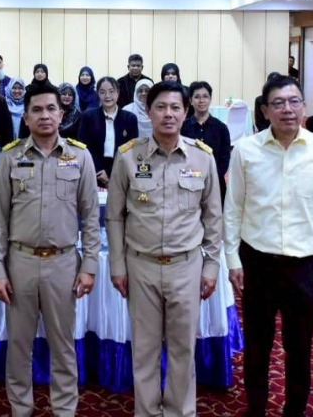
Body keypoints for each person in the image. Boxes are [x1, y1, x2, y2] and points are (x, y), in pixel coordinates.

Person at [224, 74, 313, 417]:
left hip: (305, 264)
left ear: (304, 107)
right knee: (257, 346)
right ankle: (256, 409)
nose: (287, 109)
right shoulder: (246, 150)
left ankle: (295, 410)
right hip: (258, 262)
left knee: (300, 348)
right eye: (278, 103)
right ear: (265, 111)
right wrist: (232, 259)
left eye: (294, 102)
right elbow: (233, 209)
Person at [107, 81, 222, 417]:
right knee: (144, 349)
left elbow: (214, 217)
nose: (168, 114)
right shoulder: (128, 156)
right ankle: (146, 411)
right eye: (160, 107)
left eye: (175, 107)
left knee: (183, 349)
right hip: (140, 265)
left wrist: (211, 266)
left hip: (186, 266)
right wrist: (117, 265)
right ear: (148, 111)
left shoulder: (202, 157)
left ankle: (179, 412)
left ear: (186, 112)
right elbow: (114, 216)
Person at [0, 83, 100, 417]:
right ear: (26, 118)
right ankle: (21, 409)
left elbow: (91, 217)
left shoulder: (80, 156)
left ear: (62, 114)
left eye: (51, 109)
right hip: (20, 262)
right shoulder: (10, 156)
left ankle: (64, 409)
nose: (44, 115)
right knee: (19, 346)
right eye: (36, 110)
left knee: (63, 345)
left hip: (63, 263)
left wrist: (89, 266)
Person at [78, 76, 140, 188]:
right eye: (102, 92)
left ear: (118, 93)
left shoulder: (130, 118)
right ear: (97, 94)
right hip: (94, 171)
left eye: (111, 91)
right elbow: (85, 147)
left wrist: (112, 173)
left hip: (121, 172)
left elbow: (131, 149)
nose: (107, 96)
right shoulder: (88, 117)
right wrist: (99, 170)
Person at [181, 80, 232, 202]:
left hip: (216, 183)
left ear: (210, 99)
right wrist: (195, 176)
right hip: (187, 183)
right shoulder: (183, 127)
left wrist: (210, 177)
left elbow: (224, 159)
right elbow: (179, 158)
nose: (201, 100)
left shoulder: (221, 128)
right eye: (197, 97)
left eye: (205, 96)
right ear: (190, 100)